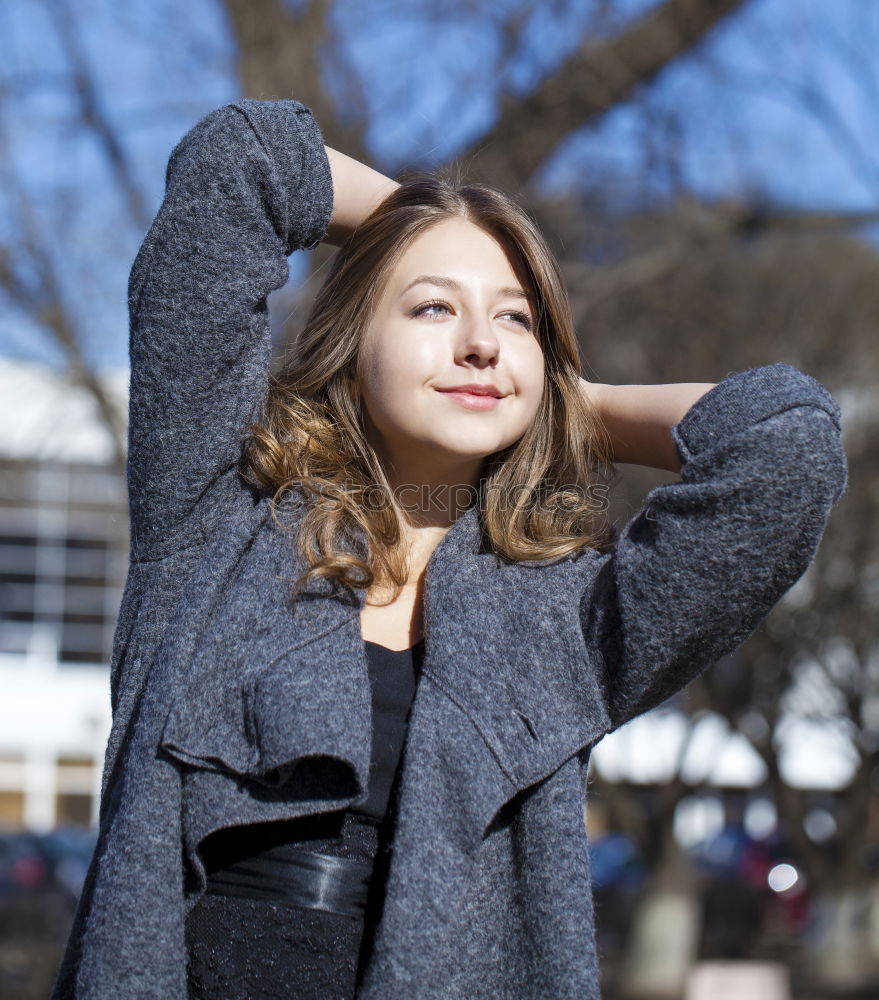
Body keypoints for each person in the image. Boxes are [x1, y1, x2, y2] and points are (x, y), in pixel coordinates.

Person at [50, 97, 848, 1000]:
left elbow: (785, 449)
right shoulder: (212, 520)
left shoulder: (566, 618)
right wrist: (431, 225)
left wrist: (569, 402)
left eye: (516, 321)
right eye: (432, 306)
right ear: (351, 347)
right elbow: (241, 163)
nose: (479, 343)